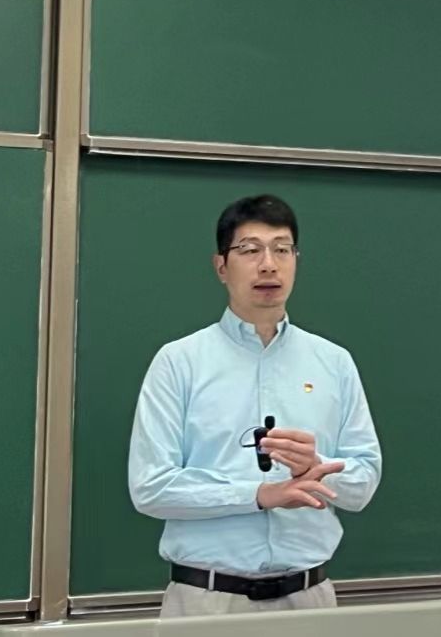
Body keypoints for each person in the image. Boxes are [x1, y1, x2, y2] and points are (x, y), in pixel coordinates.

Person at [128, 194, 382, 617]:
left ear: (296, 261)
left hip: (310, 601)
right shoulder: (179, 362)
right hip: (207, 602)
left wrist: (314, 467)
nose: (268, 264)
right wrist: (259, 494)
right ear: (221, 267)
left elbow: (364, 482)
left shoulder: (334, 362)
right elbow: (151, 488)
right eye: (250, 250)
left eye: (282, 250)